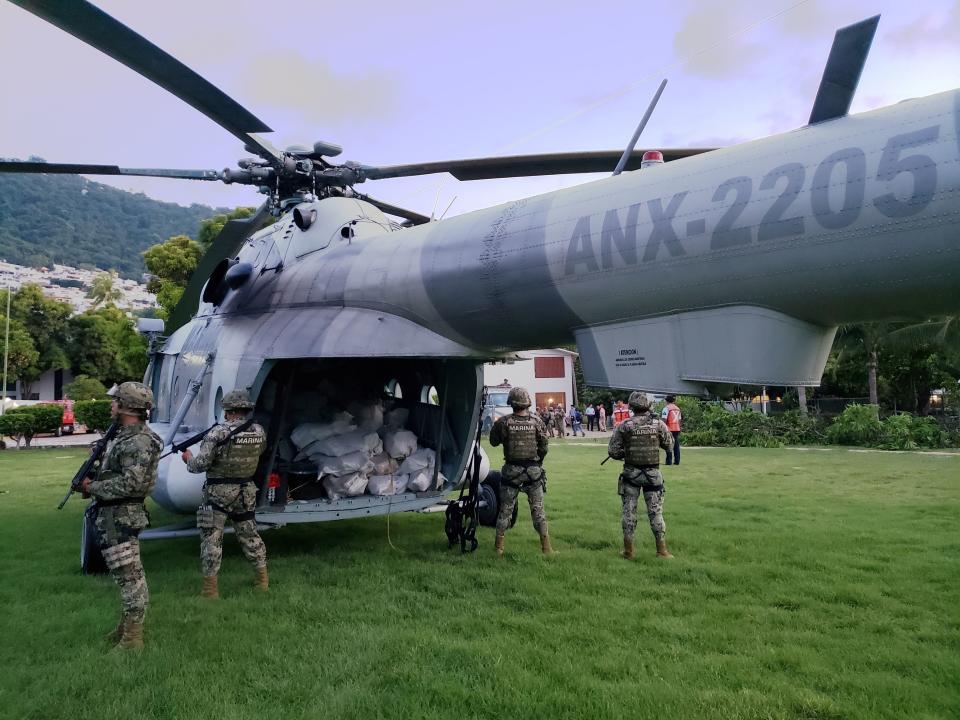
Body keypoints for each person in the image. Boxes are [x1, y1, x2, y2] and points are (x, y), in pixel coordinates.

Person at [79, 381, 162, 650]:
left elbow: (132, 484)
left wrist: (94, 487)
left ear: (127, 406)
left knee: (130, 578)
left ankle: (132, 640)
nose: (111, 404)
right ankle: (126, 627)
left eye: (116, 401)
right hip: (115, 512)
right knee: (126, 576)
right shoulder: (125, 436)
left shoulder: (139, 441)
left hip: (122, 514)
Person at [181, 389, 268, 598]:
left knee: (211, 539)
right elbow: (261, 452)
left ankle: (210, 590)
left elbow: (198, 466)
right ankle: (262, 580)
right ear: (246, 410)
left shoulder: (217, 433)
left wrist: (188, 458)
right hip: (246, 492)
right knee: (250, 535)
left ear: (228, 410)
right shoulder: (258, 431)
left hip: (217, 494)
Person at [607, 391, 674, 560]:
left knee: (629, 512)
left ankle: (629, 551)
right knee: (656, 512)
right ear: (648, 406)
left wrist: (627, 453)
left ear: (631, 406)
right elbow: (669, 445)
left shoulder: (624, 426)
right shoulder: (658, 424)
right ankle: (662, 550)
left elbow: (613, 451)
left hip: (631, 475)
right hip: (653, 475)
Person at [488, 386, 552, 556]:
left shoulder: (504, 422)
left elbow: (493, 442)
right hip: (533, 473)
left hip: (511, 473)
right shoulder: (537, 421)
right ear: (527, 403)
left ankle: (498, 548)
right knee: (538, 511)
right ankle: (546, 548)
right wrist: (538, 462)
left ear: (511, 403)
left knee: (505, 510)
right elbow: (544, 447)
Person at [661, 395, 682, 465]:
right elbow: (679, 420)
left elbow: (664, 419)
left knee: (669, 445)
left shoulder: (666, 408)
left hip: (669, 428)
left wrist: (662, 428)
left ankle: (669, 461)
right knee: (676, 446)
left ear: (667, 401)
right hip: (677, 428)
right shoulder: (677, 408)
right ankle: (677, 461)